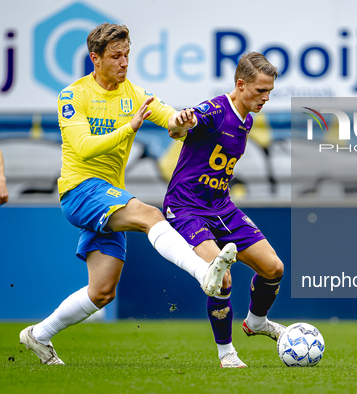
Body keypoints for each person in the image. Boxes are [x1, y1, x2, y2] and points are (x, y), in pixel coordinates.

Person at [19, 23, 236, 365]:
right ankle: (202, 272)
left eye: (127, 55)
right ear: (96, 58)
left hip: (109, 195)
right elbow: (84, 147)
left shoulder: (134, 94)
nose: (123, 63)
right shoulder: (72, 96)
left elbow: (171, 121)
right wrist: (130, 127)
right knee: (150, 214)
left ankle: (38, 335)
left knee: (102, 292)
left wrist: (182, 120)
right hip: (79, 190)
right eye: (116, 56)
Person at [163, 51, 284, 368]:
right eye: (261, 91)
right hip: (186, 207)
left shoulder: (247, 118)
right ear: (241, 84)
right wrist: (178, 123)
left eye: (270, 91)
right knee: (223, 279)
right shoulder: (215, 110)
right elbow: (182, 124)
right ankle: (226, 352)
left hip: (221, 207)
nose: (266, 98)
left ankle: (257, 322)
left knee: (274, 268)